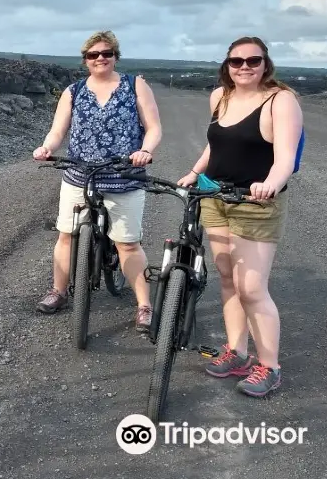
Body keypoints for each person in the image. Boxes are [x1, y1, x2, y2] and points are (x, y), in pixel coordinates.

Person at [176, 36, 302, 397]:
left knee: (252, 288)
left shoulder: (281, 100)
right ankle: (237, 352)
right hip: (214, 196)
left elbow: (285, 160)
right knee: (228, 278)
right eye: (237, 61)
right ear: (226, 65)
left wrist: (270, 185)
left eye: (253, 60)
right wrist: (194, 171)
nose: (245, 67)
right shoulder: (220, 97)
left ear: (265, 64)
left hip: (255, 203)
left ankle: (270, 366)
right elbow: (215, 144)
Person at [33, 30, 162, 332]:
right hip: (79, 173)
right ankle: (58, 291)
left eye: (106, 53)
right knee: (66, 235)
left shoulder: (135, 85)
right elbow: (57, 130)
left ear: (116, 56)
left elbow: (154, 127)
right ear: (85, 60)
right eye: (93, 55)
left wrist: (145, 150)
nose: (100, 58)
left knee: (127, 244)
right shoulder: (74, 91)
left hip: (124, 176)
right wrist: (47, 148)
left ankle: (144, 305)